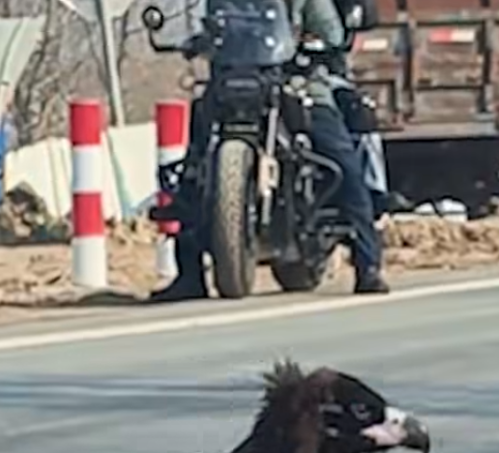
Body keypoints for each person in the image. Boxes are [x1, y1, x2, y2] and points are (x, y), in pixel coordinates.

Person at [152, 0, 389, 301]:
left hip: (297, 84)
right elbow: (210, 30)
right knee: (194, 166)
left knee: (344, 164)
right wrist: (196, 42)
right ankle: (189, 275)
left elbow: (331, 33)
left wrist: (317, 44)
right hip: (233, 83)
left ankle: (368, 266)